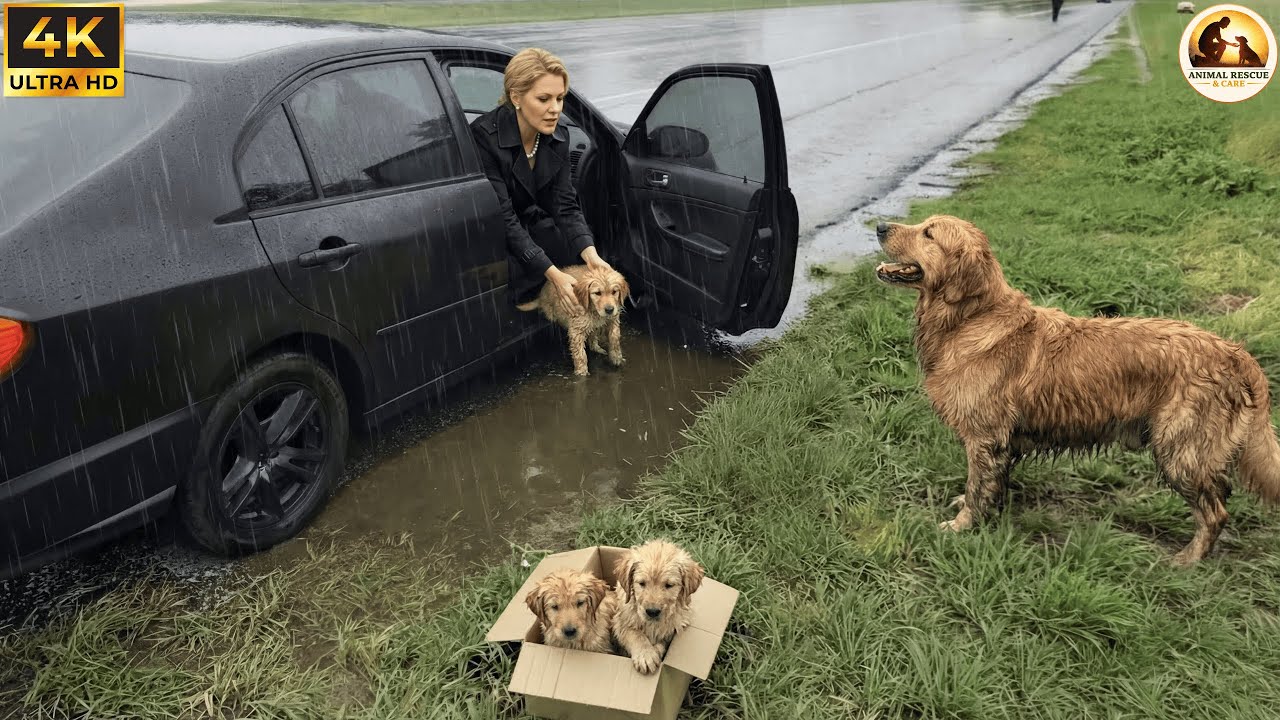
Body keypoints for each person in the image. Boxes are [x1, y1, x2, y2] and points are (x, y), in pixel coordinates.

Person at [469, 48, 613, 319]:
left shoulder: (557, 136)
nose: (556, 109)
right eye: (544, 99)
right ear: (516, 97)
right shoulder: (484, 138)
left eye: (560, 98)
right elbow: (505, 218)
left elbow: (565, 204)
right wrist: (553, 275)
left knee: (576, 243)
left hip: (530, 225)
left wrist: (591, 255)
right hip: (494, 230)